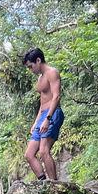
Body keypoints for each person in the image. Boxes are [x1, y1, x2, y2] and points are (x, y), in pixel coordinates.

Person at [23, 48, 64, 180]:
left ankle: (54, 185)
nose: (30, 70)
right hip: (43, 116)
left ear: (38, 60)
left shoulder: (52, 73)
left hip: (53, 114)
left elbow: (56, 97)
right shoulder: (40, 78)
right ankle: (43, 182)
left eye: (31, 66)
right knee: (29, 154)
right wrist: (37, 121)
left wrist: (48, 119)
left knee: (43, 151)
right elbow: (42, 103)